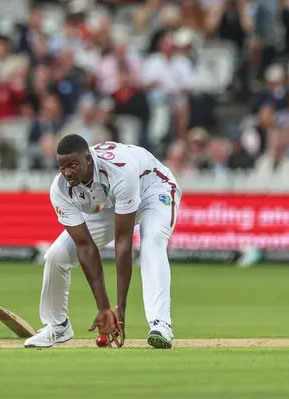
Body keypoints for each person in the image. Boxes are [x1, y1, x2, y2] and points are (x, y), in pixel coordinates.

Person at [24, 134, 181, 349]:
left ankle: (160, 324)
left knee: (152, 242)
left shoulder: (119, 171)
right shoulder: (60, 189)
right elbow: (85, 247)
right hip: (111, 201)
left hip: (153, 189)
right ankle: (57, 326)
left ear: (88, 160)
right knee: (56, 256)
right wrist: (104, 308)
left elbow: (123, 241)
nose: (67, 172)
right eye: (62, 166)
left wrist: (121, 311)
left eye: (73, 165)